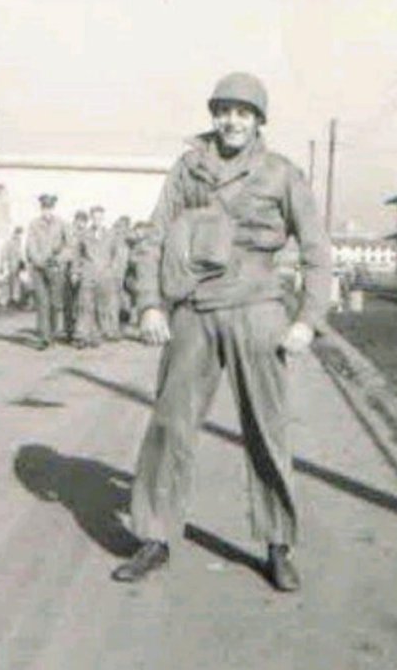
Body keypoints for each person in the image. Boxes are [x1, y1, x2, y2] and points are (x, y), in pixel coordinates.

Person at [112, 72, 331, 591]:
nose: (232, 121)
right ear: (214, 116)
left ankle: (278, 545)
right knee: (170, 424)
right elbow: (154, 237)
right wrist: (150, 305)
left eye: (243, 113)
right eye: (224, 111)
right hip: (196, 308)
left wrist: (307, 320)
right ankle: (154, 536)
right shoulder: (189, 167)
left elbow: (317, 252)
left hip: (258, 308)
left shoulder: (280, 173)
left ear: (258, 121)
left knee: (266, 430)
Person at [26, 194, 68, 349]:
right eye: (44, 208)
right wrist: (39, 261)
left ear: (53, 208)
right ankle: (45, 337)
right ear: (41, 209)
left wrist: (59, 259)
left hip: (56, 269)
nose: (46, 211)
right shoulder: (34, 225)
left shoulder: (61, 224)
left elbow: (69, 246)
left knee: (54, 304)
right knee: (42, 303)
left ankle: (53, 334)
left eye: (49, 208)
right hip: (39, 269)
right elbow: (30, 246)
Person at [73, 205, 119, 347]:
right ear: (91, 218)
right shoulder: (84, 235)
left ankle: (96, 335)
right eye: (94, 217)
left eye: (99, 217)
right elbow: (76, 255)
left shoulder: (111, 235)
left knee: (101, 306)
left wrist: (112, 270)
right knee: (85, 304)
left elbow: (116, 255)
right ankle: (82, 335)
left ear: (103, 218)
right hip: (88, 274)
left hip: (105, 276)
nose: (97, 220)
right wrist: (75, 272)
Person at [63, 210, 89, 344]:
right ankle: (69, 330)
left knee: (81, 303)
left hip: (83, 273)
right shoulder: (69, 235)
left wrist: (78, 271)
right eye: (79, 221)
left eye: (83, 221)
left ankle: (79, 332)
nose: (80, 224)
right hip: (67, 272)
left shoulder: (88, 236)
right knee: (68, 303)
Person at [0, 227, 25, 307]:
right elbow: (4, 254)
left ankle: (14, 299)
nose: (19, 235)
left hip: (15, 265)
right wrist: (2, 265)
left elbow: (20, 255)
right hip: (9, 264)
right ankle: (4, 301)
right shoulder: (9, 242)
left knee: (15, 282)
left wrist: (22, 263)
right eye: (18, 233)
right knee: (7, 282)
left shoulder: (19, 243)